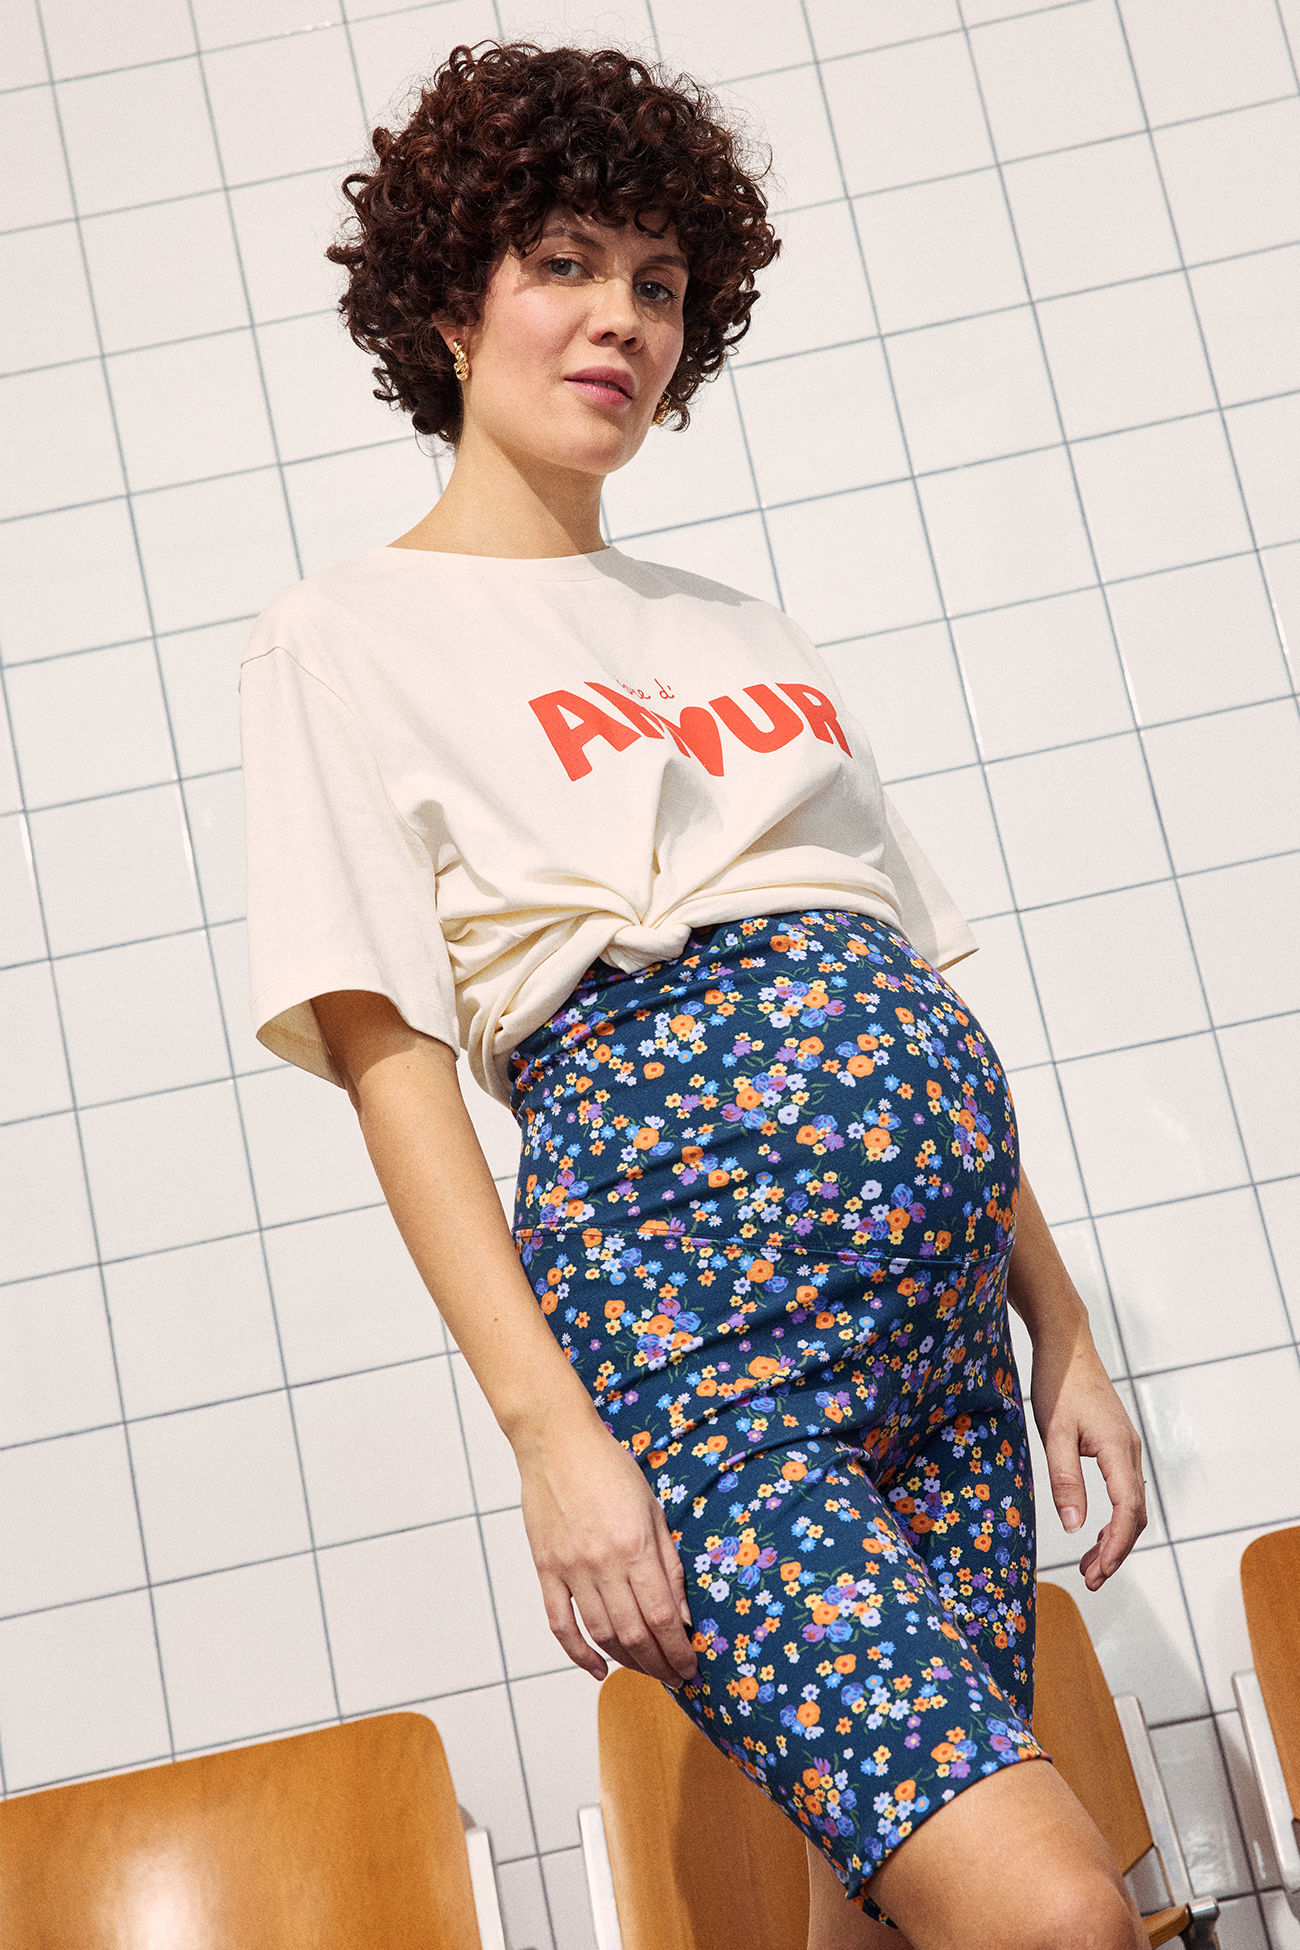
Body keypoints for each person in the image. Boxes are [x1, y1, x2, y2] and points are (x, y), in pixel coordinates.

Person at [240, 41, 1149, 1948]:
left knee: (887, 1919)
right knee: (1055, 1910)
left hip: (940, 1361)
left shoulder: (741, 625)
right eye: (566, 264)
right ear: (449, 302)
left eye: (659, 284)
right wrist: (551, 1437)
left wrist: (1056, 1318)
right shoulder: (345, 637)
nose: (622, 321)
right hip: (697, 1353)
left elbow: (896, 978)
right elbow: (391, 1062)